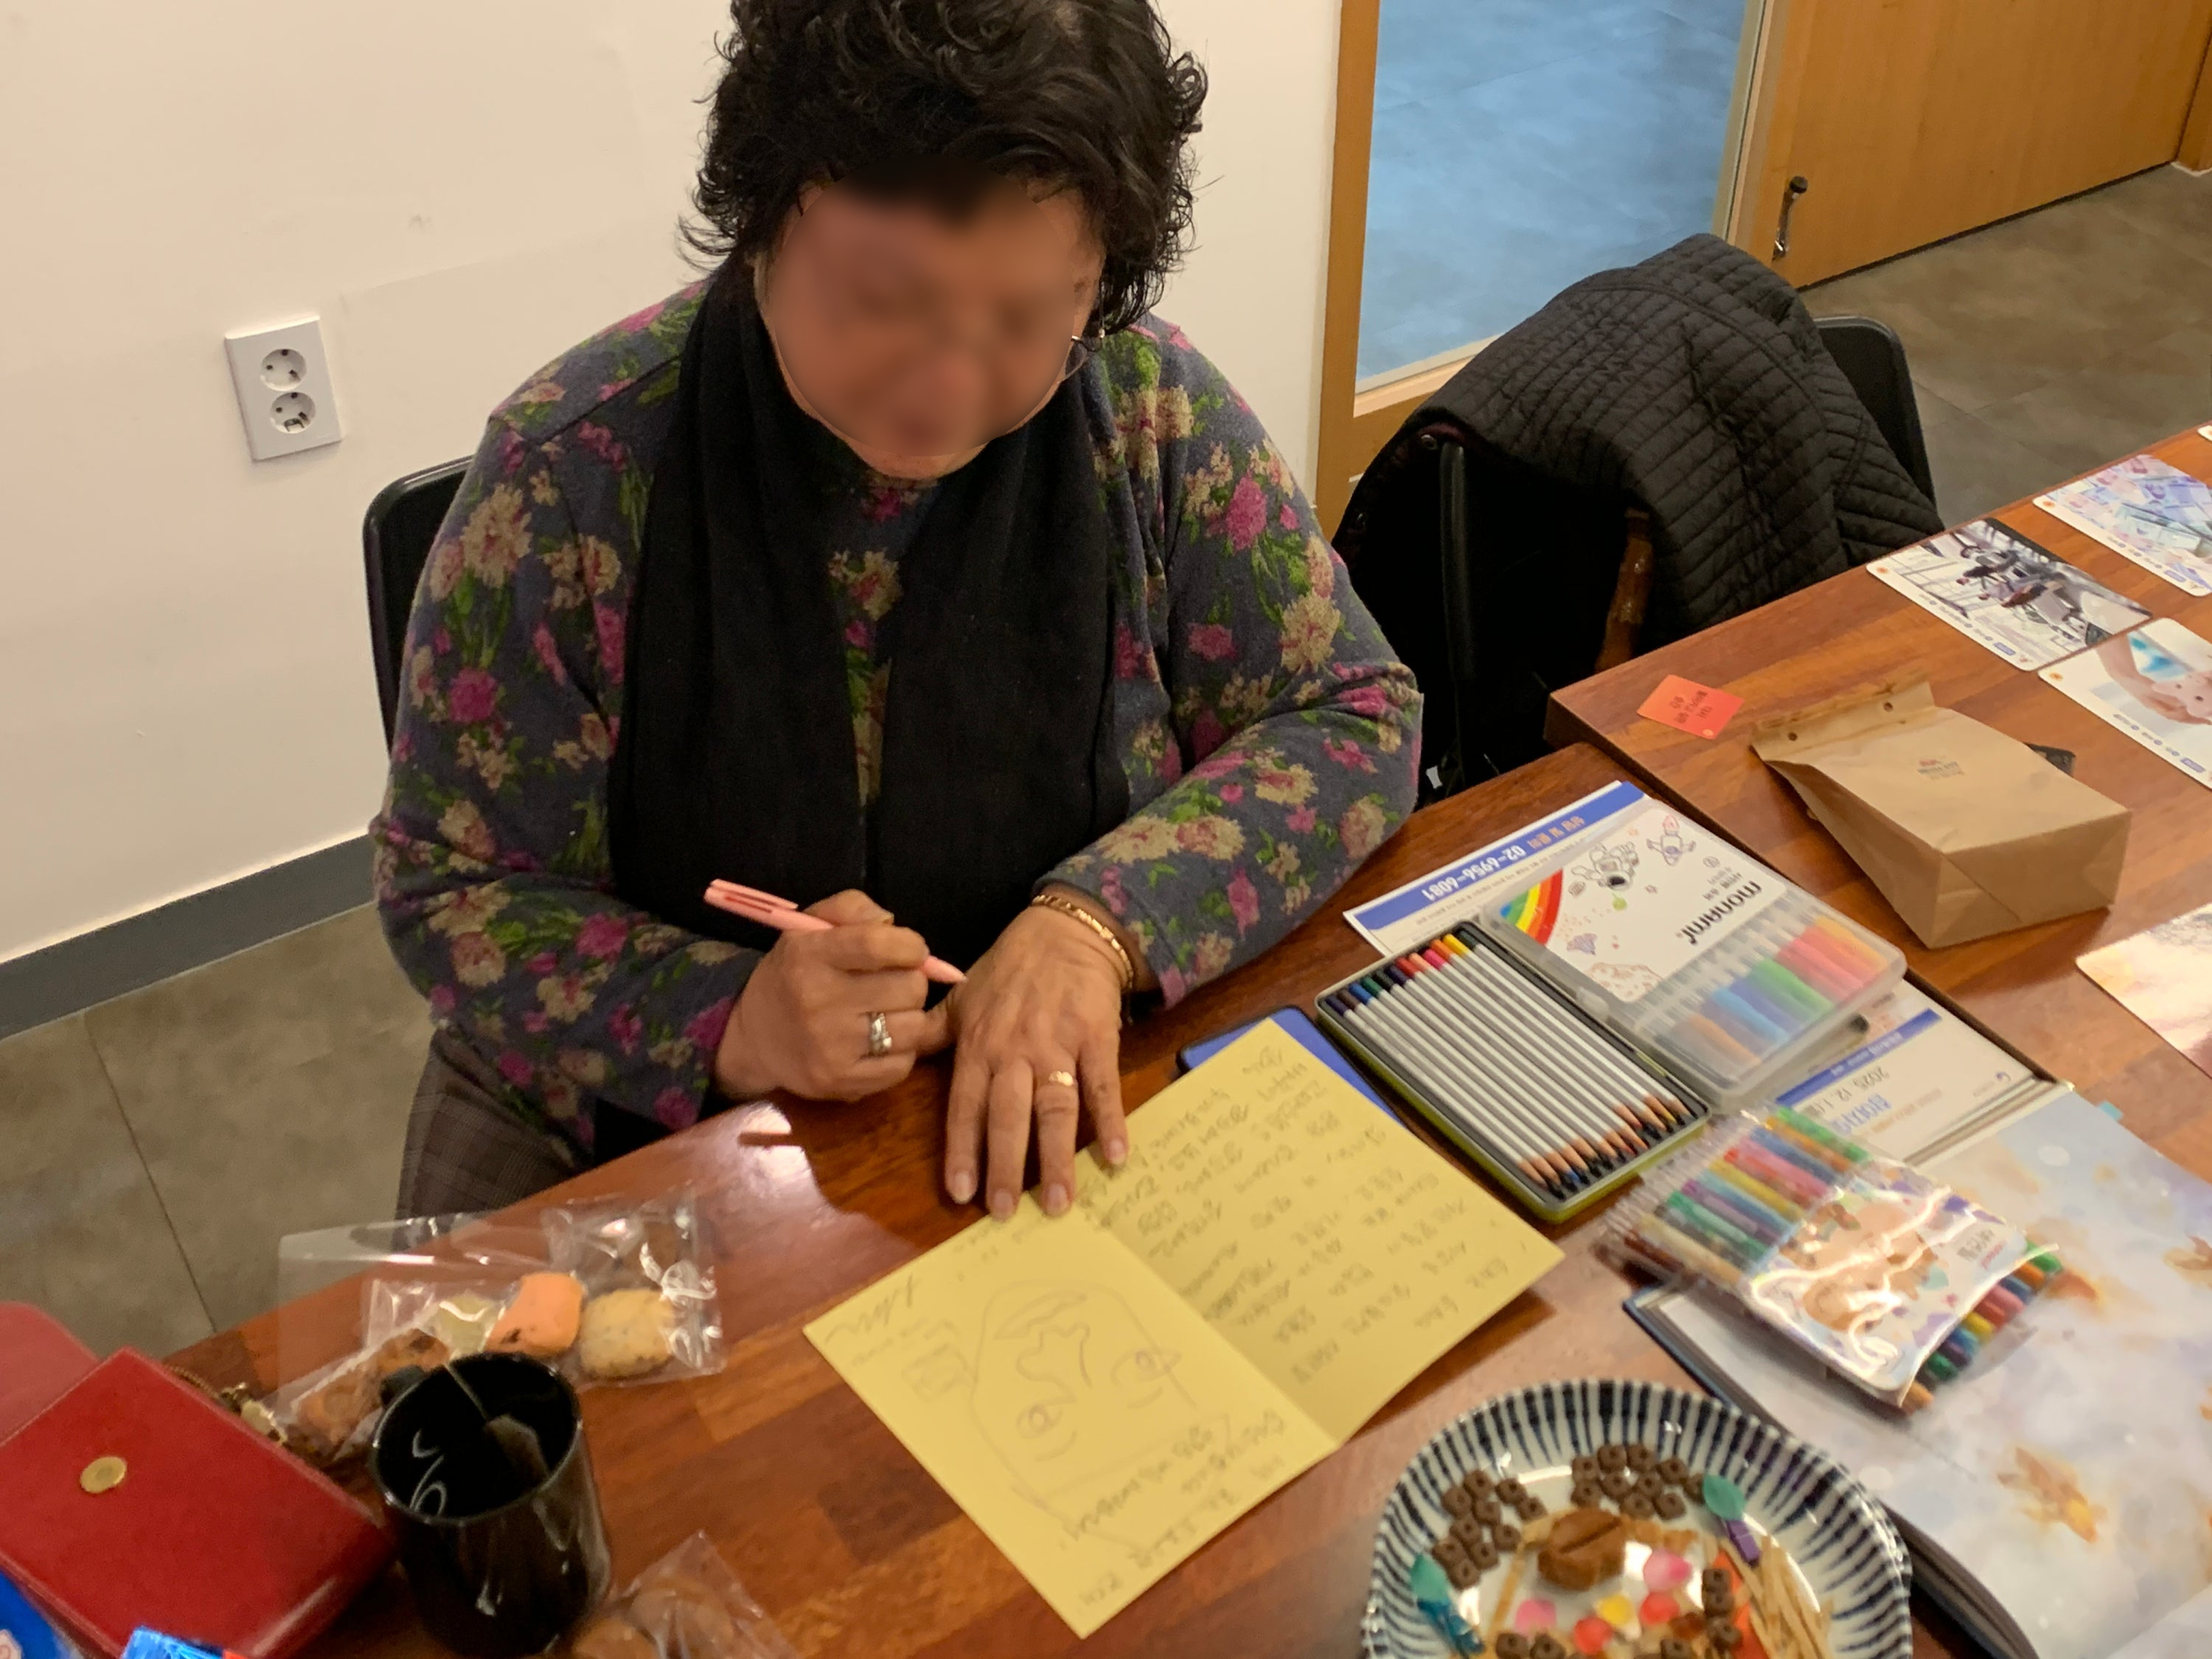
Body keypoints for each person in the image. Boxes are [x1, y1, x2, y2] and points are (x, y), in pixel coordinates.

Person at [374, 0, 1421, 1223]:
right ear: (766, 212)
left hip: (1038, 1066)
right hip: (649, 1112)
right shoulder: (572, 476)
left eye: (1028, 317)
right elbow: (450, 888)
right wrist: (728, 1012)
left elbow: (1355, 715)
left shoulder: (1142, 411)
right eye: (886, 298)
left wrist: (1094, 924)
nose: (953, 379)